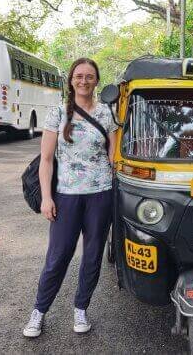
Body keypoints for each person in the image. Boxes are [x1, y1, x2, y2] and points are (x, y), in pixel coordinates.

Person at [23, 57, 117, 337]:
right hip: (66, 196)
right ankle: (38, 312)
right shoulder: (57, 114)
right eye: (79, 76)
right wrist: (46, 198)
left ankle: (81, 309)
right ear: (72, 80)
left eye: (89, 76)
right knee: (58, 256)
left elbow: (113, 158)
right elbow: (47, 160)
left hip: (101, 195)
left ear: (97, 81)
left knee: (92, 256)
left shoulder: (106, 114)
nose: (84, 81)